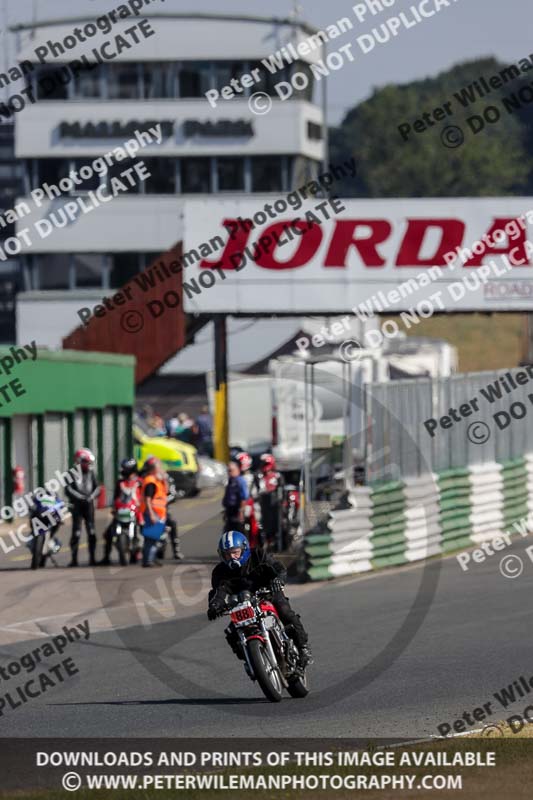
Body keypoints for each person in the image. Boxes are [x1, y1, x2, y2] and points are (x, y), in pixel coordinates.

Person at [207, 531, 312, 667]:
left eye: (235, 552)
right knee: (231, 632)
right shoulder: (219, 571)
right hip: (243, 603)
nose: (231, 558)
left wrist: (278, 580)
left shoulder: (258, 554)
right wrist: (214, 605)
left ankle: (303, 647)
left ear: (244, 549)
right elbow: (217, 592)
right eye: (227, 554)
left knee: (284, 610)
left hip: (268, 592)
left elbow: (279, 568)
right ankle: (251, 660)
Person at [100, 457, 142, 566]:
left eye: (125, 469)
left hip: (136, 511)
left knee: (144, 528)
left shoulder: (139, 482)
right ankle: (106, 556)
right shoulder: (120, 483)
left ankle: (143, 552)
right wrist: (114, 508)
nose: (123, 471)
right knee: (108, 533)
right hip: (122, 511)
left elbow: (144, 497)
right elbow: (116, 497)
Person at [65, 448, 99, 567]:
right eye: (85, 462)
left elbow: (97, 487)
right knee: (76, 533)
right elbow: (68, 489)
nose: (88, 465)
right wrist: (80, 497)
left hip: (89, 506)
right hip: (77, 506)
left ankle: (93, 558)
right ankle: (74, 559)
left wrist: (91, 497)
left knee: (91, 531)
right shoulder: (71, 474)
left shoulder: (91, 473)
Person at [140, 456, 168, 567]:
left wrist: (164, 479)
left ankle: (152, 557)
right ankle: (148, 560)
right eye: (159, 467)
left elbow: (165, 491)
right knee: (151, 538)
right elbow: (147, 499)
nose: (161, 469)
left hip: (159, 513)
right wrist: (151, 514)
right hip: (153, 513)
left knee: (156, 537)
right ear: (153, 469)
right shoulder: (150, 482)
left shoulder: (157, 480)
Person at [253, 454, 284, 549]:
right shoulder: (258, 476)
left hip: (275, 503)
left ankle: (276, 540)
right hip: (262, 502)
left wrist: (282, 501)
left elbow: (282, 490)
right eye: (263, 464)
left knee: (276, 521)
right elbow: (255, 490)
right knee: (261, 523)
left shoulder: (278, 476)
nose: (264, 467)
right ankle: (263, 541)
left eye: (266, 464)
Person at [222, 461, 248, 532]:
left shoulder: (240, 481)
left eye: (231, 470)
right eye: (228, 471)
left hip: (237, 510)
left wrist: (241, 511)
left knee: (238, 530)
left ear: (238, 470)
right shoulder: (230, 481)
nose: (230, 473)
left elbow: (244, 497)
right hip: (229, 510)